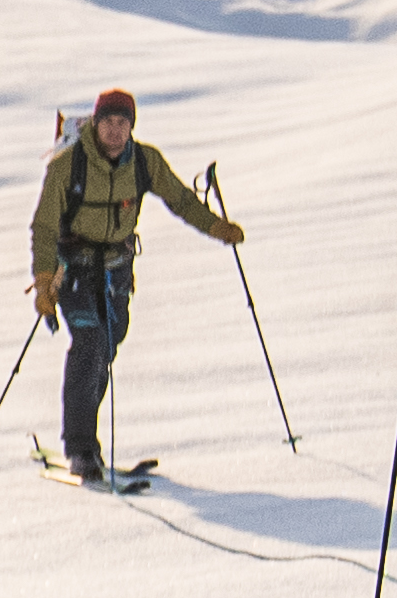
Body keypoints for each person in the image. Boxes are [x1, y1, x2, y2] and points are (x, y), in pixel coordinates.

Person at [21, 87, 246, 491]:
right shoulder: (67, 166)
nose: (115, 130)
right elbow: (45, 225)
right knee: (89, 344)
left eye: (123, 123)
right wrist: (43, 280)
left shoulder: (145, 162)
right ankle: (81, 448)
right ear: (95, 122)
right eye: (108, 121)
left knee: (107, 345)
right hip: (72, 271)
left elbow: (179, 198)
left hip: (116, 272)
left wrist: (215, 227)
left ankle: (85, 440)